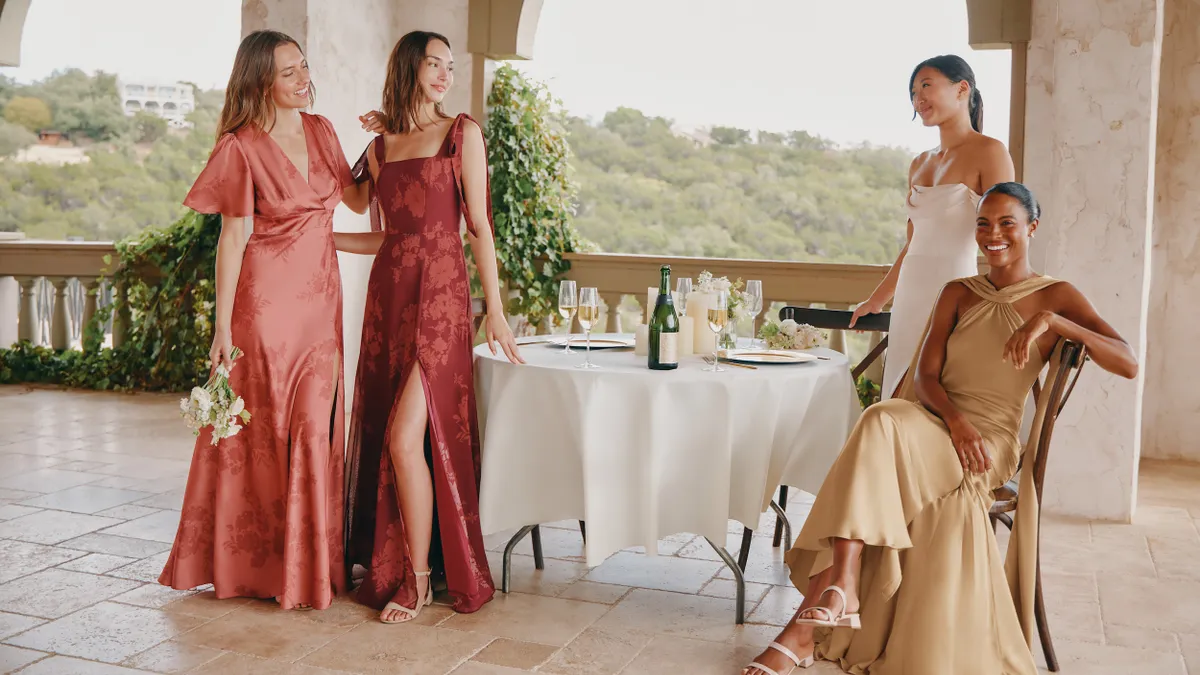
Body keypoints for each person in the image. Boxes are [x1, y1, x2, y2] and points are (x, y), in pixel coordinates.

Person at [743, 182, 1138, 675]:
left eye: (1007, 223)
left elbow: (1126, 362)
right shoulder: (957, 291)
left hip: (991, 440)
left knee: (879, 426)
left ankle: (810, 621)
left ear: (1032, 228)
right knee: (882, 418)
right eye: (983, 223)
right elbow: (926, 378)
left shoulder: (1055, 295)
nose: (993, 234)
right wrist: (955, 423)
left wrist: (1055, 323)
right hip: (936, 420)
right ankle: (840, 584)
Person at [159, 30, 369, 610]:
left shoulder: (323, 130)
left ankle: (309, 567)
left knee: (312, 429)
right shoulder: (241, 147)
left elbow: (354, 200)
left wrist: (388, 140)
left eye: (304, 67)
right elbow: (232, 238)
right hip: (263, 310)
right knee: (266, 435)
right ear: (260, 82)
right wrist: (222, 330)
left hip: (321, 311)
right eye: (288, 73)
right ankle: (263, 568)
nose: (304, 79)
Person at [335, 30, 522, 624]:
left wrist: (494, 308)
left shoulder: (462, 133)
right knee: (393, 434)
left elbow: (479, 229)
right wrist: (321, 237)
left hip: (442, 303)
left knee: (402, 434)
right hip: (389, 300)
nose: (444, 74)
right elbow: (371, 220)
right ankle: (412, 566)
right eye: (433, 64)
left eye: (448, 64)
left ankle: (416, 580)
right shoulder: (382, 145)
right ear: (408, 68)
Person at [849, 55, 1015, 400]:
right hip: (910, 296)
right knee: (896, 396)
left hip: (955, 292)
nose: (917, 99)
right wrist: (878, 299)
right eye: (912, 92)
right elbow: (914, 244)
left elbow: (1008, 235)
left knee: (938, 395)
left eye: (926, 85)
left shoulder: (991, 152)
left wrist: (1001, 301)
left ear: (962, 88)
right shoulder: (920, 163)